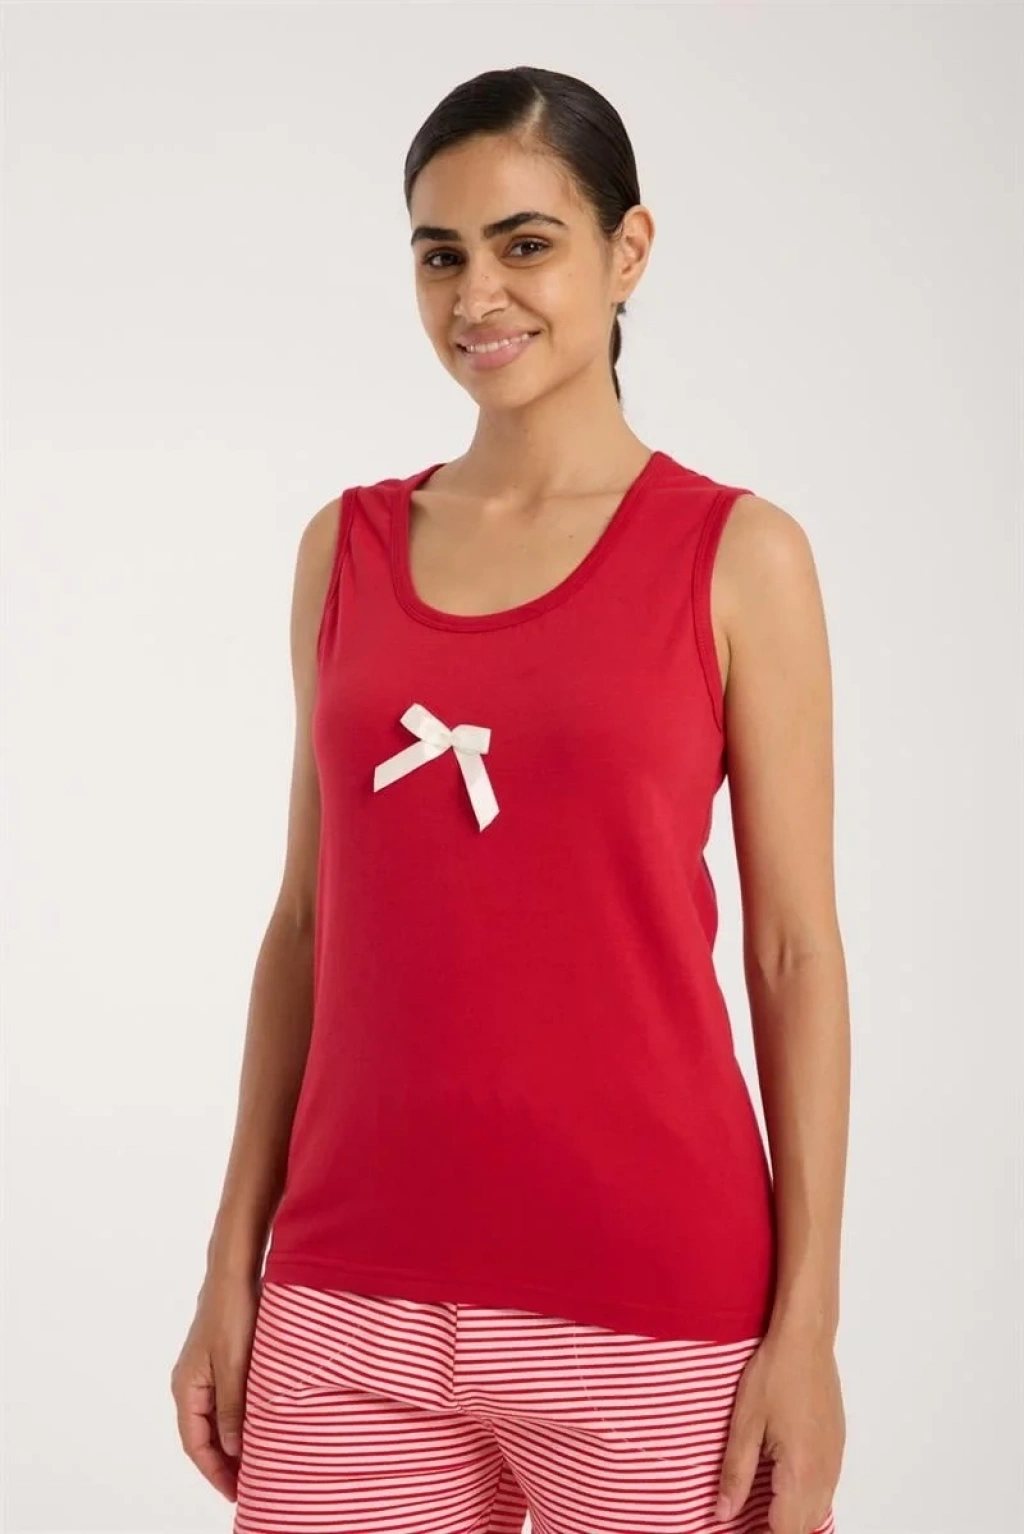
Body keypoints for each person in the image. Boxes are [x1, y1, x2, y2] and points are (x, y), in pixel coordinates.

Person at [170, 64, 849, 1534]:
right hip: (348, 1304)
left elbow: (794, 954)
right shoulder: (346, 548)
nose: (478, 294)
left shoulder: (739, 555)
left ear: (628, 249)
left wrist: (808, 1327)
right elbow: (304, 927)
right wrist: (233, 1262)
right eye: (441, 253)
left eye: (524, 243)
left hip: (656, 1312)